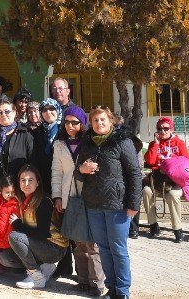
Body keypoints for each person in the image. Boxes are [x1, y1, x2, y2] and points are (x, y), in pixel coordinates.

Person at [76, 106, 142, 299]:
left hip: (118, 206)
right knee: (103, 248)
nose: (99, 123)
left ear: (111, 121)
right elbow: (77, 173)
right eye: (95, 121)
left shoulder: (122, 141)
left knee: (118, 249)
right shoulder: (87, 143)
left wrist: (133, 204)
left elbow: (134, 174)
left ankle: (122, 292)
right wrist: (82, 169)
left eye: (103, 120)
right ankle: (111, 288)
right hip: (94, 205)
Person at [52, 106, 107, 296]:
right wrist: (57, 196)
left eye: (74, 122)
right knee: (78, 243)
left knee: (93, 244)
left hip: (90, 196)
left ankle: (97, 284)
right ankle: (82, 280)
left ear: (82, 123)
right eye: (66, 122)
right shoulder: (59, 144)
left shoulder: (90, 142)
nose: (70, 126)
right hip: (69, 197)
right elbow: (57, 173)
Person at [6, 165, 70, 289]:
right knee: (5, 259)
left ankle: (37, 277)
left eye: (30, 180)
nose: (26, 183)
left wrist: (18, 224)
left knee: (15, 236)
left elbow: (42, 234)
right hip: (40, 245)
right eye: (23, 180)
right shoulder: (22, 200)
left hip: (54, 248)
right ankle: (46, 266)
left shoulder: (43, 201)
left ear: (38, 183)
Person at [142, 115, 189, 242]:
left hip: (174, 181)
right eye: (159, 129)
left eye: (166, 128)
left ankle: (177, 229)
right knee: (146, 191)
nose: (162, 131)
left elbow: (188, 162)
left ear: (171, 130)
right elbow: (150, 160)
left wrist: (172, 167)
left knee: (173, 195)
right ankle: (153, 225)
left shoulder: (179, 144)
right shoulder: (154, 144)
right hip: (158, 180)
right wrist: (156, 144)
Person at [0, 100, 33, 198]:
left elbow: (33, 163)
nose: (3, 114)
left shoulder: (25, 133)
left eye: (7, 111)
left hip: (19, 189)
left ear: (14, 112)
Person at [31, 98, 62, 191]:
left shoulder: (65, 130)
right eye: (45, 110)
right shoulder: (36, 132)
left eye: (52, 109)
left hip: (62, 180)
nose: (48, 112)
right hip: (43, 180)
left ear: (58, 110)